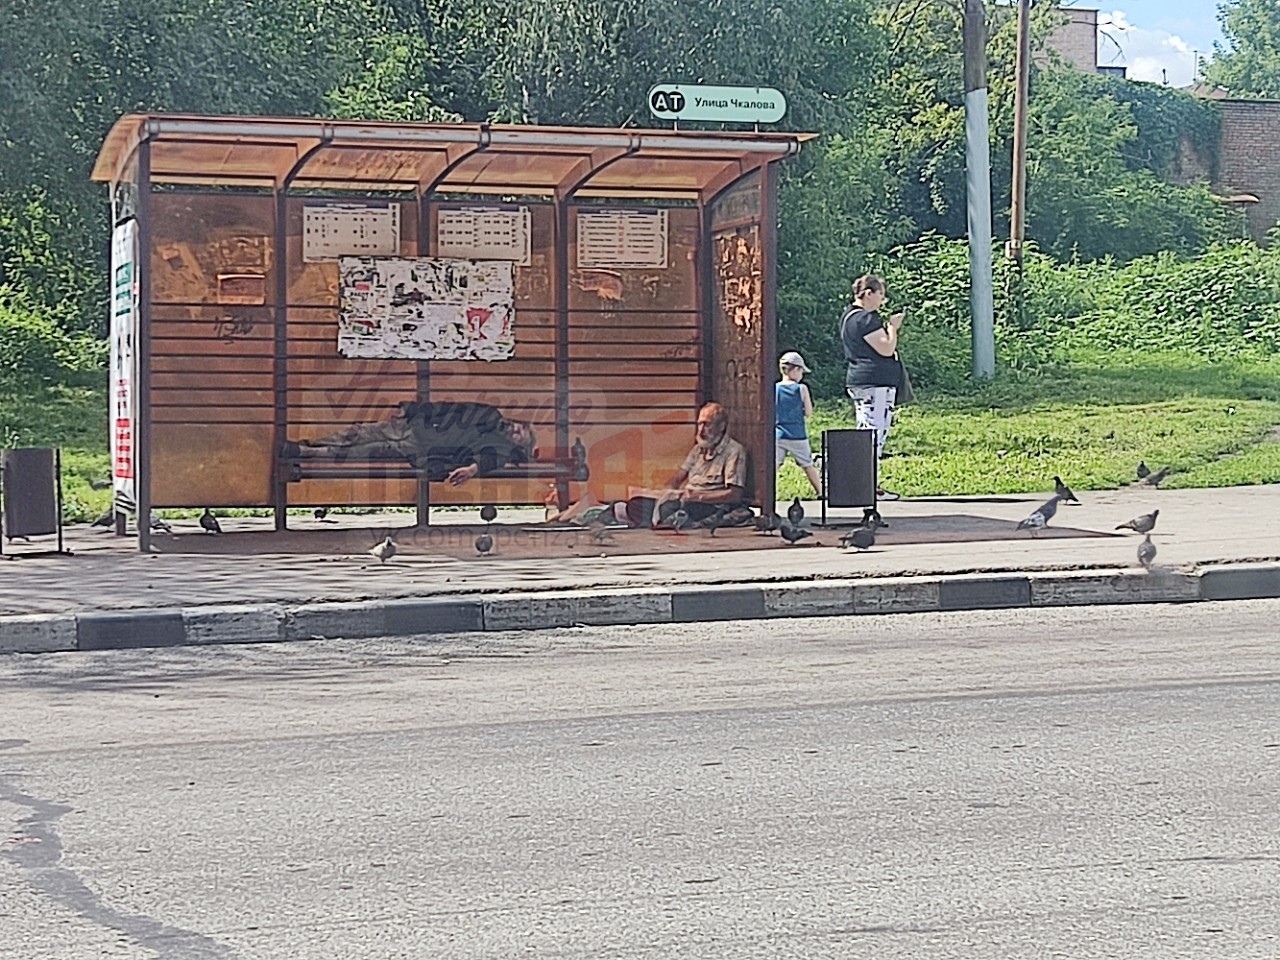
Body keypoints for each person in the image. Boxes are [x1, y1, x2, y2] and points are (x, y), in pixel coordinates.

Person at [283, 400, 536, 486]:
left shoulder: (500, 449)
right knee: (358, 434)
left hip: (419, 448)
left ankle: (307, 452)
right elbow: (448, 408)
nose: (515, 429)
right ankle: (306, 447)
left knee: (363, 451)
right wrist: (412, 409)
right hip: (416, 427)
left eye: (518, 435)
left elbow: (488, 460)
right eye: (519, 427)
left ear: (515, 446)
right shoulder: (490, 414)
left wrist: (471, 470)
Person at [619, 401, 751, 528]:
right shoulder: (698, 449)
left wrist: (699, 497)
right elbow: (678, 477)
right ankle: (660, 520)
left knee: (673, 509)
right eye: (699, 424)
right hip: (683, 499)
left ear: (721, 426)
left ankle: (658, 521)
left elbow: (734, 495)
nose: (701, 430)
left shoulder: (734, 451)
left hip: (708, 505)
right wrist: (667, 492)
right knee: (637, 504)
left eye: (707, 425)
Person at [839, 274, 903, 500]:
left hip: (861, 380)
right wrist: (893, 328)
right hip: (874, 383)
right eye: (880, 295)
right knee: (874, 434)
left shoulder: (848, 317)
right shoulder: (866, 319)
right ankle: (868, 486)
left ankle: (863, 483)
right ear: (868, 294)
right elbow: (885, 348)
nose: (882, 301)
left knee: (865, 430)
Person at [775, 351, 822, 497]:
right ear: (795, 369)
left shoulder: (774, 388)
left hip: (778, 433)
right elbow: (808, 412)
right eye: (801, 371)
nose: (802, 375)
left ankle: (767, 493)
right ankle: (821, 492)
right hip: (797, 435)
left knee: (774, 466)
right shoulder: (801, 389)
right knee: (807, 464)